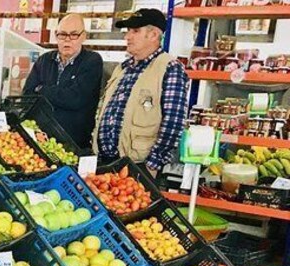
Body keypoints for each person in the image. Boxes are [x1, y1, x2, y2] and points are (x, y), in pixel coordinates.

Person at [93, 9, 189, 175]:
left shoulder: (170, 68)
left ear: (153, 35)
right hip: (105, 163)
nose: (128, 37)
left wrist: (152, 164)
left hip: (138, 166)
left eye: (135, 31)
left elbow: (173, 122)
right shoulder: (122, 68)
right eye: (128, 31)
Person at [22, 13, 103, 148]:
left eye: (74, 34)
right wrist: (60, 94)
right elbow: (27, 95)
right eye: (62, 34)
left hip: (73, 143)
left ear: (84, 36)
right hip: (40, 140)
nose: (67, 40)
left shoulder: (92, 61)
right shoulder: (44, 60)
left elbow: (75, 99)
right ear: (56, 35)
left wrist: (42, 89)